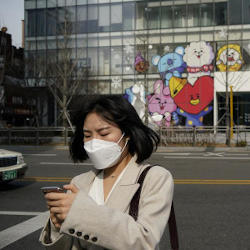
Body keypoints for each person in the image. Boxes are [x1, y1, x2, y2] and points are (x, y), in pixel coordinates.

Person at [39, 95, 174, 250]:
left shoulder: (155, 177)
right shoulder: (78, 182)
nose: (94, 142)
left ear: (127, 133)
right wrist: (57, 227)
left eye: (103, 133)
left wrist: (82, 213)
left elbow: (145, 242)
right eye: (87, 135)